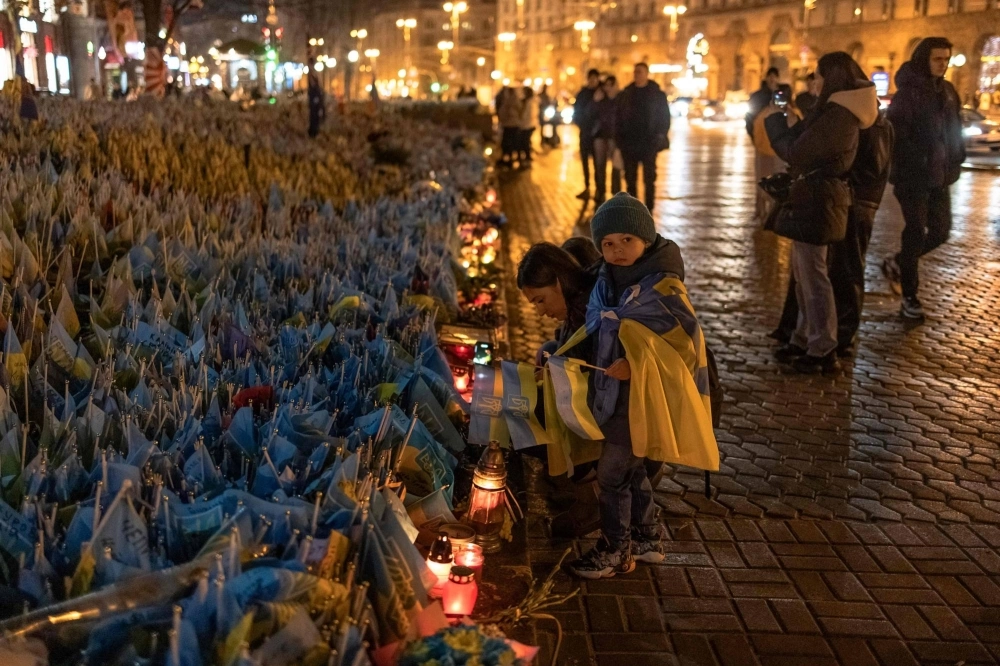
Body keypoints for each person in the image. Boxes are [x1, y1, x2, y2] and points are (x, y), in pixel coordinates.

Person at [562, 193, 717, 579]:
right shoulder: (607, 281)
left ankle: (615, 549)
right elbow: (597, 325)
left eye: (626, 240)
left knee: (612, 475)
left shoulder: (662, 288)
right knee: (631, 473)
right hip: (613, 397)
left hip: (642, 399)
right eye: (608, 243)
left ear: (646, 239)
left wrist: (636, 364)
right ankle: (646, 537)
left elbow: (684, 344)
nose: (617, 250)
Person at [765, 51, 880, 374]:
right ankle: (805, 338)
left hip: (821, 200)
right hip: (816, 198)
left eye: (818, 75)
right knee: (805, 274)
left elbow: (799, 152)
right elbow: (806, 145)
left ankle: (822, 346)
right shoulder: (833, 112)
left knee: (814, 275)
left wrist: (775, 120)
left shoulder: (840, 114)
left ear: (832, 78)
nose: (814, 81)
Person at [881, 37, 964, 320]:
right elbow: (896, 134)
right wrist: (914, 158)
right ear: (924, 59)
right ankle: (909, 296)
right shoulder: (909, 94)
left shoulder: (949, 91)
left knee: (941, 231)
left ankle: (898, 262)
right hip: (913, 176)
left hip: (940, 176)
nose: (943, 64)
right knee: (915, 231)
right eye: (938, 59)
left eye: (946, 59)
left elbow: (955, 128)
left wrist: (956, 158)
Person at [614, 63, 671, 212]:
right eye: (635, 72)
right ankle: (634, 212)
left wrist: (659, 136)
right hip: (629, 143)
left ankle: (648, 210)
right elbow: (618, 118)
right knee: (630, 179)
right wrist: (620, 141)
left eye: (640, 72)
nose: (637, 75)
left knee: (649, 179)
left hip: (649, 143)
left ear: (646, 74)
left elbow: (664, 117)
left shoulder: (656, 94)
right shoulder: (626, 94)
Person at [592, 76, 622, 206]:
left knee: (616, 166)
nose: (608, 87)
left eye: (610, 84)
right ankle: (600, 190)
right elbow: (589, 114)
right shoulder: (600, 99)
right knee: (600, 165)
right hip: (600, 135)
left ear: (616, 85)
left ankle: (616, 193)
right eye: (606, 85)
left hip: (615, 136)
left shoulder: (621, 99)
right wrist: (595, 101)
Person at [573, 69, 601, 200]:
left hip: (597, 134)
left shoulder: (601, 93)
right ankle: (587, 187)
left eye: (595, 78)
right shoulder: (582, 94)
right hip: (585, 132)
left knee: (597, 162)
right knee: (585, 161)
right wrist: (581, 124)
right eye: (591, 78)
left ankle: (598, 189)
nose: (593, 80)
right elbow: (577, 112)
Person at [496, 84, 523, 167]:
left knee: (507, 141)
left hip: (508, 124)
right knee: (514, 141)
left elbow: (502, 112)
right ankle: (514, 157)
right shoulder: (517, 101)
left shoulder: (507, 101)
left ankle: (507, 157)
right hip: (515, 124)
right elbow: (520, 111)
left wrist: (501, 119)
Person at [517, 85, 537, 167]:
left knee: (524, 142)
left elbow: (525, 115)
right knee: (526, 142)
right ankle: (527, 157)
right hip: (529, 125)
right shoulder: (532, 101)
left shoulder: (529, 102)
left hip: (526, 125)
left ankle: (526, 158)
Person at [307, 64, 325, 138]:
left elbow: (319, 99)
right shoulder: (311, 89)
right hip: (312, 108)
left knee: (315, 121)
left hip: (316, 108)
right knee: (313, 120)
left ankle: (315, 133)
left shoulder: (317, 90)